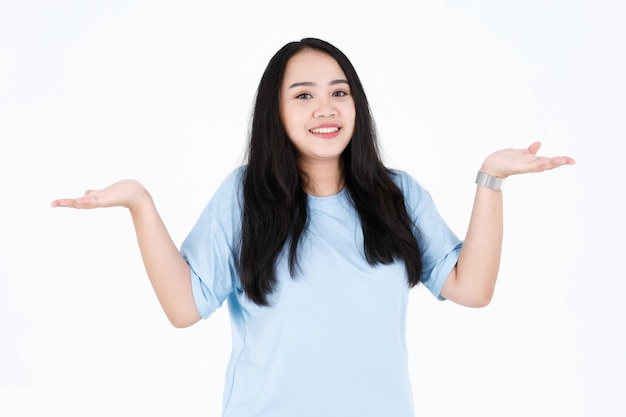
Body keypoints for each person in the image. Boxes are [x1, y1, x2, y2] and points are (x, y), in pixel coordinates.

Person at [51, 38, 575, 417]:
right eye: (303, 95)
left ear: (356, 105)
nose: (325, 108)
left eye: (339, 92)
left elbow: (472, 287)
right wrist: (140, 204)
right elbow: (185, 307)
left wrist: (491, 178)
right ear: (275, 112)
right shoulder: (245, 197)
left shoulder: (398, 195)